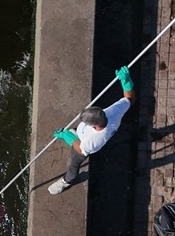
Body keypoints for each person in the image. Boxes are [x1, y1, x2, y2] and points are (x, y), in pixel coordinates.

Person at [48, 65, 136, 194]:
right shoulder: (114, 111)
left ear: (94, 126)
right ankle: (74, 134)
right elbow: (130, 99)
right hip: (81, 134)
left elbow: (81, 150)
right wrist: (127, 81)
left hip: (81, 147)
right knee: (74, 133)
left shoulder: (95, 140)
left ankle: (66, 181)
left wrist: (70, 139)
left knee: (72, 165)